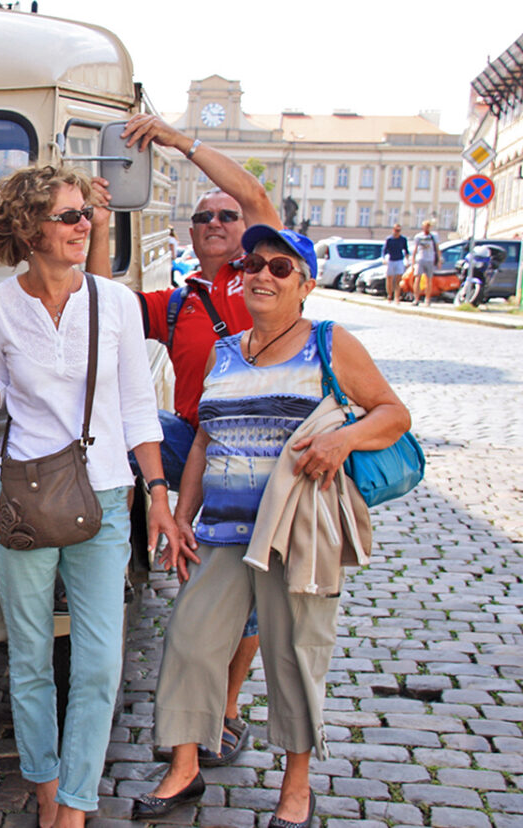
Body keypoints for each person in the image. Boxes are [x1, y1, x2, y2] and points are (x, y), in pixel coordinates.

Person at [132, 224, 410, 826]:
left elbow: (394, 414)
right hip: (222, 532)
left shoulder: (330, 344)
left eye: (280, 268)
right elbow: (205, 438)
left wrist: (342, 440)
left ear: (305, 285)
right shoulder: (225, 352)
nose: (262, 274)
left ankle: (296, 787)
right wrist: (182, 517)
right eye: (254, 263)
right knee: (190, 641)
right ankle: (184, 770)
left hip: (296, 531)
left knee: (292, 654)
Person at [0, 164, 177, 828]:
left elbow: (139, 409)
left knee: (100, 662)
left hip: (106, 497)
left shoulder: (117, 304)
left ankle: (76, 806)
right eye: (70, 216)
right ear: (29, 228)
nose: (86, 226)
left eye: (87, 215)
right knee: (28, 659)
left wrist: (157, 493)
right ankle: (47, 789)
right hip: (20, 494)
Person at [86, 112, 281, 768]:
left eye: (228, 216)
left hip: (260, 451)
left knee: (249, 585)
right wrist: (96, 219)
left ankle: (225, 707)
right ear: (190, 235)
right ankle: (125, 538)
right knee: (114, 424)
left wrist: (178, 141)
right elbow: (100, 301)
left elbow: (256, 199)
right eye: (205, 219)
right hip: (195, 438)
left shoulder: (264, 278)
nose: (220, 223)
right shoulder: (177, 303)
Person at [410, 220, 439, 306]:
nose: (427, 228)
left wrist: (439, 260)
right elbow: (415, 249)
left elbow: (437, 248)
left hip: (430, 259)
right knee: (417, 278)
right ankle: (416, 299)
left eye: (428, 226)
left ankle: (427, 299)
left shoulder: (434, 236)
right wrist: (413, 261)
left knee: (429, 279)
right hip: (420, 259)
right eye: (425, 226)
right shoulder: (418, 236)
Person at [382, 223, 409, 303]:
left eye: (399, 230)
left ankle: (397, 297)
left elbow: (406, 250)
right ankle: (389, 295)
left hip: (399, 260)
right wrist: (384, 259)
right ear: (393, 230)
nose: (397, 232)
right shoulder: (389, 239)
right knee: (389, 278)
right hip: (391, 260)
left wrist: (407, 260)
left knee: (398, 279)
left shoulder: (403, 239)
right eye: (396, 230)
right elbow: (384, 250)